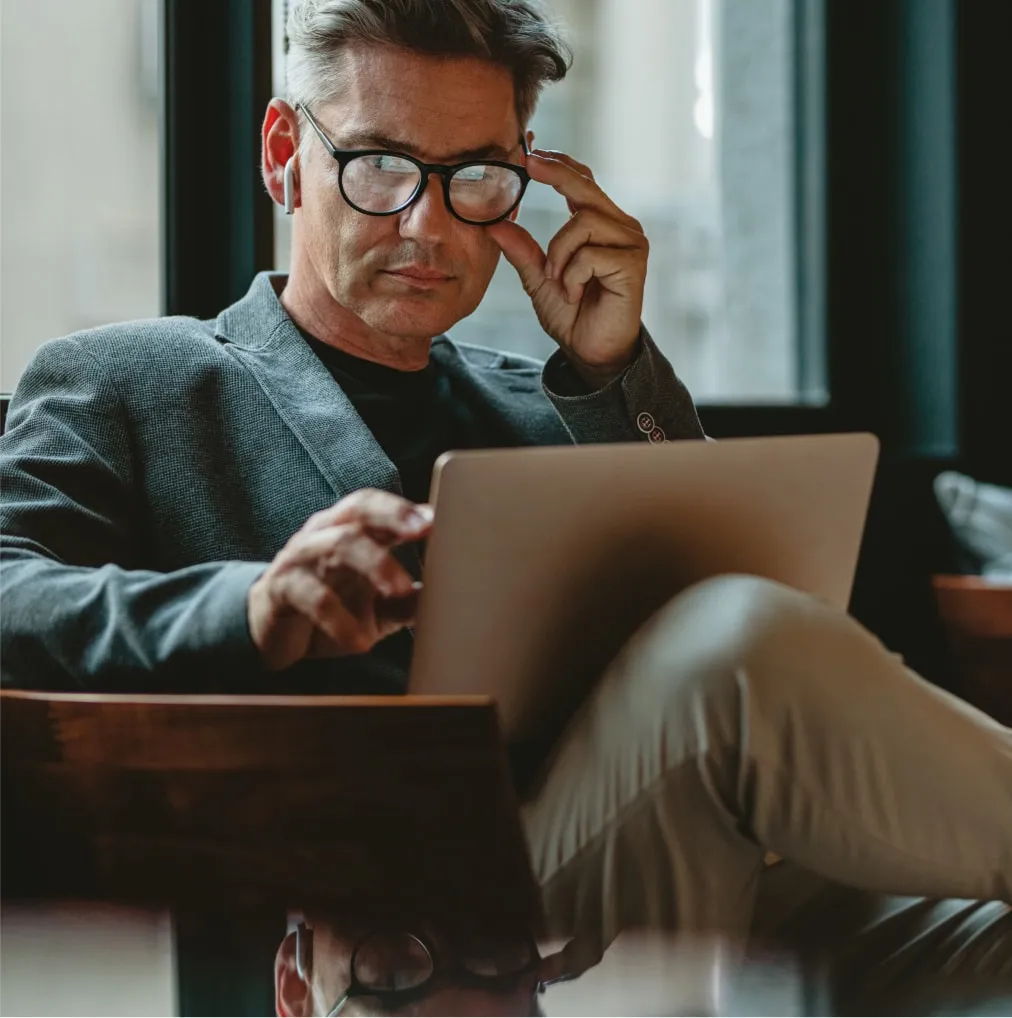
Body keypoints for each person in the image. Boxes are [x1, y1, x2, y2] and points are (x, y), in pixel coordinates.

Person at [1, 0, 1008, 1013]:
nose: (426, 224)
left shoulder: (557, 403)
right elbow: (13, 595)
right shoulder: (124, 383)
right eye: (380, 167)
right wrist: (251, 605)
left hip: (679, 868)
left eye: (474, 177)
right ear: (283, 155)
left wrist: (613, 371)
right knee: (734, 647)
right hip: (408, 931)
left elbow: (759, 648)